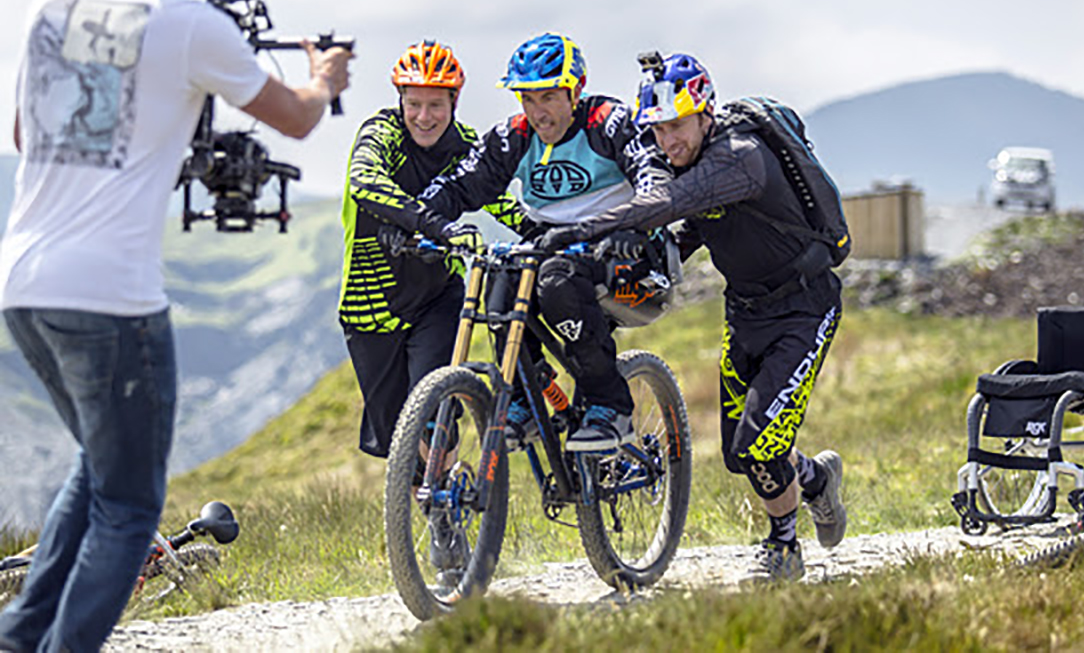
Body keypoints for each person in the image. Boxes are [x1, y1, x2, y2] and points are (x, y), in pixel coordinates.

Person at [0, 0, 351, 650]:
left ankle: (19, 641)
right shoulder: (191, 24)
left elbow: (25, 127)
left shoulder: (52, 0)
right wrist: (326, 77)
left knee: (99, 465)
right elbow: (298, 116)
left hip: (23, 283)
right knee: (131, 506)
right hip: (111, 294)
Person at [538, 53, 847, 581]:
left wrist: (579, 231)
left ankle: (783, 547)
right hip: (745, 311)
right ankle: (816, 479)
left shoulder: (739, 158)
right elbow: (686, 222)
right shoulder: (688, 161)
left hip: (805, 307)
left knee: (759, 443)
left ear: (704, 113)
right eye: (657, 130)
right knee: (740, 453)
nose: (668, 141)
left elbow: (670, 201)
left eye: (677, 125)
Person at [419, 32, 670, 452]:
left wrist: (636, 225)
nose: (538, 112)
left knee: (555, 284)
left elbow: (653, 173)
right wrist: (420, 220)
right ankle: (527, 400)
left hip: (625, 251)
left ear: (575, 90)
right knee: (498, 292)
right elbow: (462, 184)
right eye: (527, 98)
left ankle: (612, 406)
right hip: (552, 244)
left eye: (549, 96)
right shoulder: (515, 135)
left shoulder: (607, 121)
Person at [339, 39, 526, 461]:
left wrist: (539, 231)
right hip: (370, 305)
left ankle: (449, 518)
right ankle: (422, 513)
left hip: (437, 297)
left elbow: (495, 197)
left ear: (454, 101)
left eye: (436, 105)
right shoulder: (381, 133)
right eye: (414, 104)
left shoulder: (462, 141)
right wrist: (438, 226)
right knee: (397, 446)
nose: (424, 117)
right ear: (400, 101)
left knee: (431, 412)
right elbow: (364, 183)